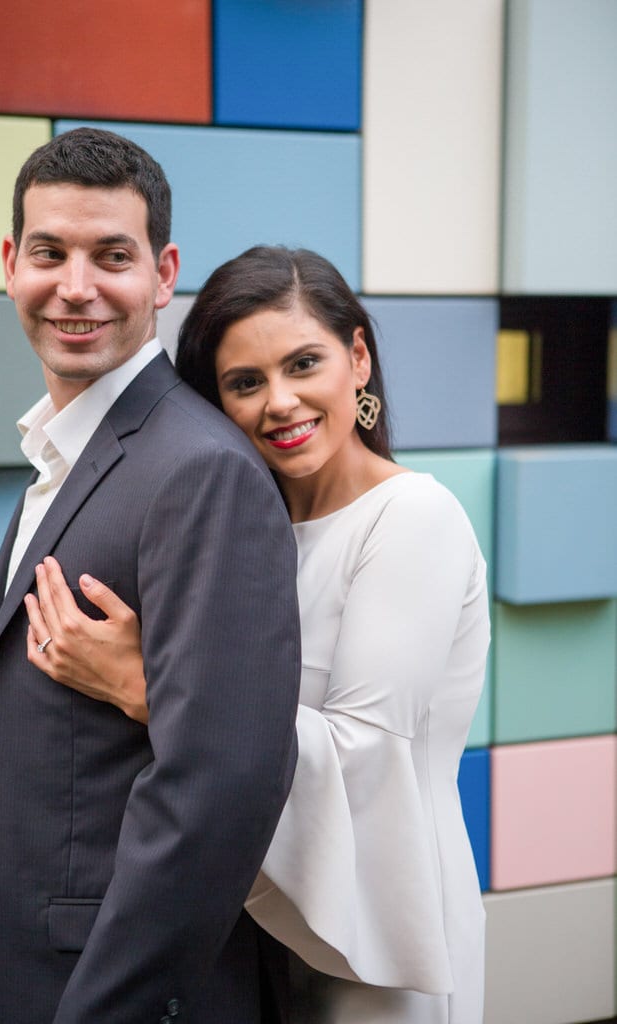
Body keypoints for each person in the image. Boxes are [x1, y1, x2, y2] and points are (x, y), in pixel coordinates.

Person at [25, 245, 491, 1024]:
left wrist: (146, 686)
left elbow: (361, 756)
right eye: (244, 383)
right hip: (257, 923)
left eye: (303, 364)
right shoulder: (254, 523)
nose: (279, 402)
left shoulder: (412, 519)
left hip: (376, 935)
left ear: (358, 358)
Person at [0, 132, 302, 1024]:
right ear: (9, 265)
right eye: (48, 253)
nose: (76, 287)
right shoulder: (67, 452)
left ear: (162, 273)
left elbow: (216, 790)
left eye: (112, 255)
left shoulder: (198, 469)